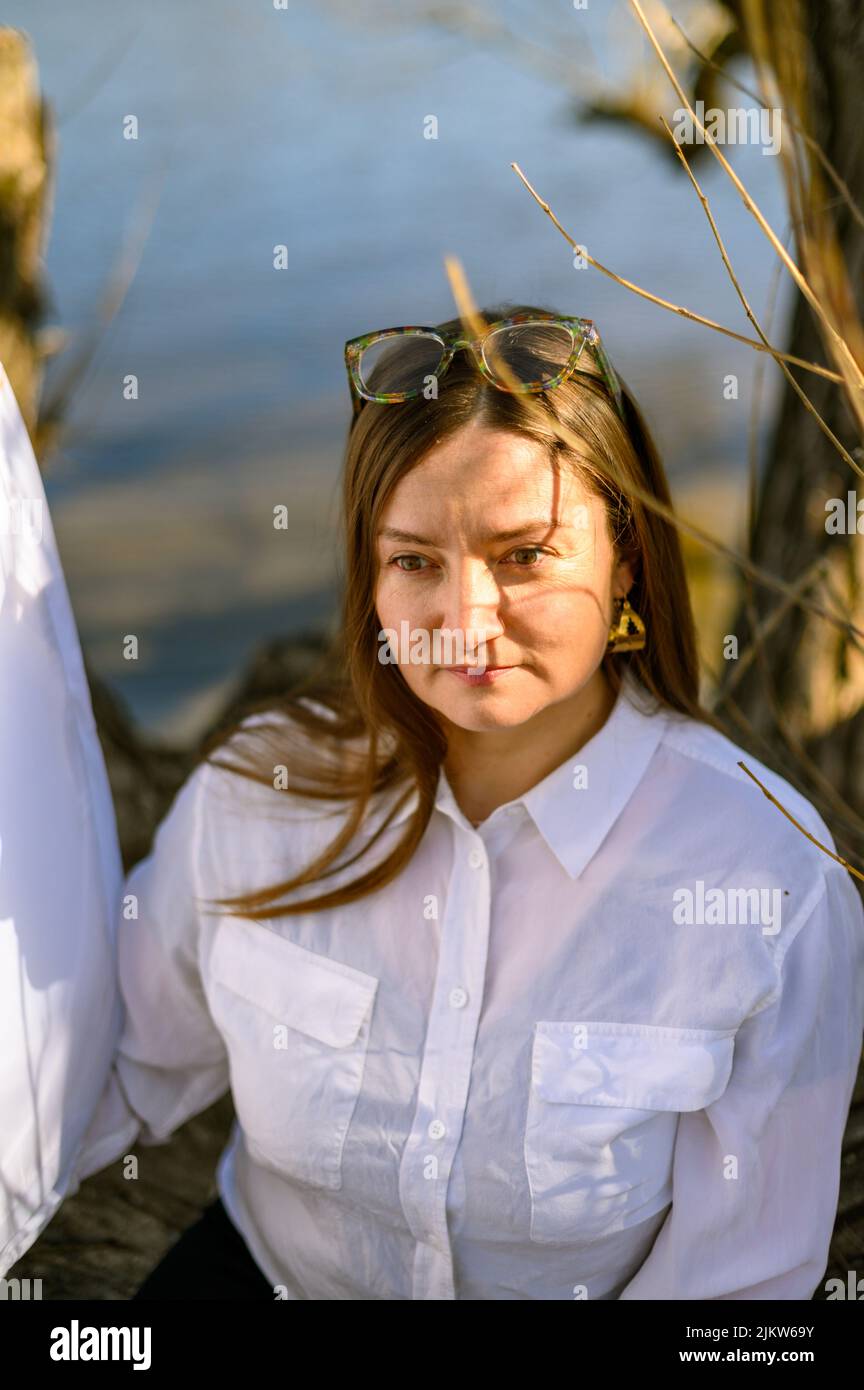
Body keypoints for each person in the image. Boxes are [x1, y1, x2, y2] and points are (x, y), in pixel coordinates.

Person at [69, 302, 864, 1300]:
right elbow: (111, 1069)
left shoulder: (771, 880)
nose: (462, 621)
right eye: (414, 562)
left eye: (522, 554)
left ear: (624, 553)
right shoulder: (255, 801)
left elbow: (739, 1285)